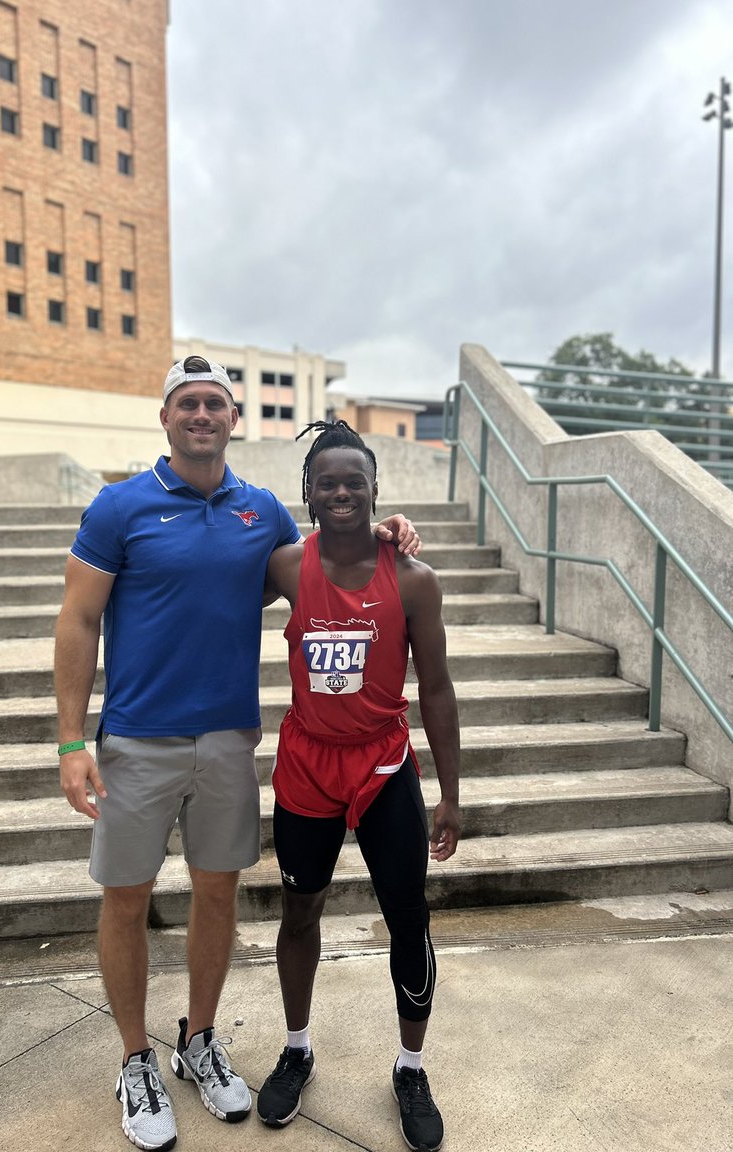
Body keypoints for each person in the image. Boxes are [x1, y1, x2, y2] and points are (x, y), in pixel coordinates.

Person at [53, 356, 419, 1151]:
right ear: (166, 417)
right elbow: (77, 620)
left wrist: (383, 534)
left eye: (214, 402)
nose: (201, 414)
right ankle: (135, 1060)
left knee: (217, 894)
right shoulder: (120, 507)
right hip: (136, 740)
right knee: (125, 899)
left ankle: (200, 1040)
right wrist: (72, 740)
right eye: (186, 402)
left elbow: (326, 559)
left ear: (232, 416)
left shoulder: (262, 512)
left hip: (226, 739)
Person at [255, 420, 461, 1152]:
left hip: (382, 767)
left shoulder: (413, 579)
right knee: (300, 910)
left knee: (409, 918)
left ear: (376, 490)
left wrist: (451, 793)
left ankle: (411, 1068)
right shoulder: (286, 566)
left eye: (355, 482)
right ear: (308, 494)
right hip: (308, 764)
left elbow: (437, 687)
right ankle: (297, 1049)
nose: (342, 492)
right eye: (328, 483)